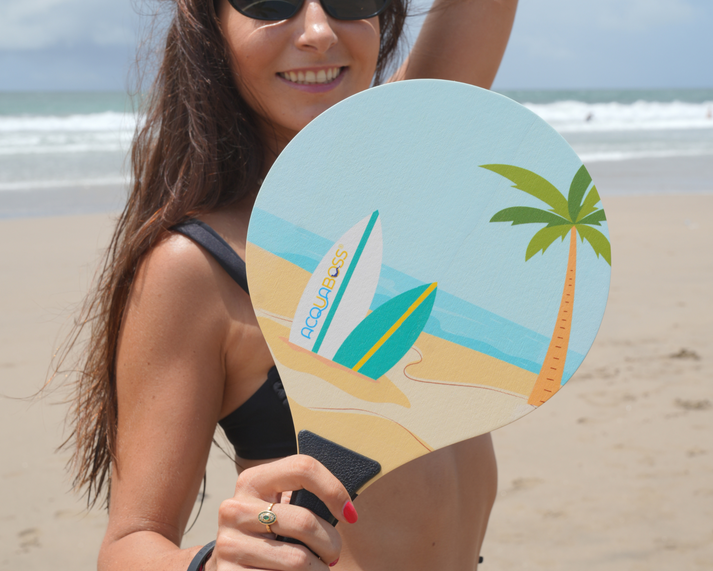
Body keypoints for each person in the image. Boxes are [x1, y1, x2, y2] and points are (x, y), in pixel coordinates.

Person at [59, 0, 517, 568]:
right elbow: (128, 545)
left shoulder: (406, 164)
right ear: (208, 22)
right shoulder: (196, 265)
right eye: (272, 1)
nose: (319, 32)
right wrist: (215, 564)